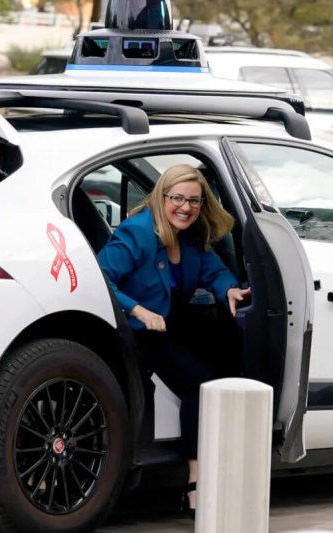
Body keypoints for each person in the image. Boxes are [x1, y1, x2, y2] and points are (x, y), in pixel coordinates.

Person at [96, 163, 250, 519]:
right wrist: (137, 310)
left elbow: (214, 270)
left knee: (230, 356)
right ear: (161, 197)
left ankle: (227, 457)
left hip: (170, 321)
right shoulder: (137, 233)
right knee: (199, 383)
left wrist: (228, 289)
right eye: (177, 198)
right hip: (136, 329)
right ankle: (194, 484)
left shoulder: (191, 236)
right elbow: (98, 277)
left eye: (194, 201)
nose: (186, 207)